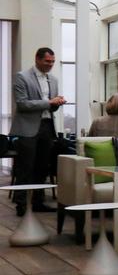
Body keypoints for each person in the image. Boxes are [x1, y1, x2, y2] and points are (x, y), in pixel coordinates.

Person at [11, 47, 66, 216]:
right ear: (37, 59)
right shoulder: (22, 77)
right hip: (28, 128)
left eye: (52, 62)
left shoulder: (54, 80)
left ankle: (38, 202)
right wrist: (49, 102)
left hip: (47, 126)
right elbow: (22, 104)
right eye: (47, 61)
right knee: (25, 167)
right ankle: (21, 205)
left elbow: (51, 108)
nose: (50, 65)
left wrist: (57, 104)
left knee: (42, 167)